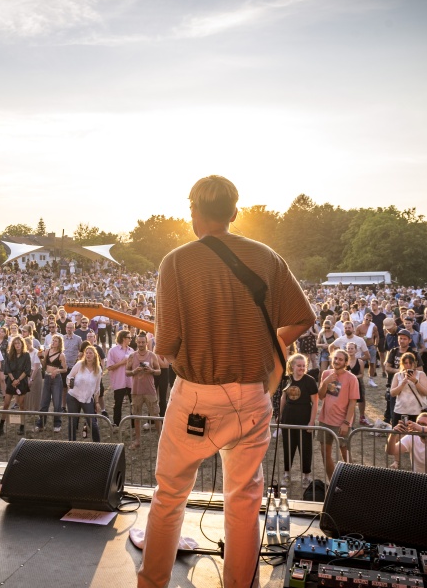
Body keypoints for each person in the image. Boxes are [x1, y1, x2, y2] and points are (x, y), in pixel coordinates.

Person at [139, 176, 314, 588]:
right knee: (243, 501)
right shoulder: (267, 257)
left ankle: (152, 583)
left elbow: (166, 346)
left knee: (169, 498)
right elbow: (303, 317)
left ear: (194, 212)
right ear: (235, 213)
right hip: (253, 396)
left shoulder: (176, 262)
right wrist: (271, 344)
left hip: (196, 397)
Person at [318, 349, 360, 481]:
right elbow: (321, 396)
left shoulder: (352, 379)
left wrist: (346, 423)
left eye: (340, 359)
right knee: (325, 454)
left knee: (345, 454)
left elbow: (353, 403)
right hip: (325, 421)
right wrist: (325, 382)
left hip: (341, 423)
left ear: (346, 362)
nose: (337, 361)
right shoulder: (326, 373)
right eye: (335, 358)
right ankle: (332, 482)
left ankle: (350, 482)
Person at [279, 353, 319, 486]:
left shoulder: (310, 381)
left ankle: (306, 476)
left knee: (305, 448)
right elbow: (283, 398)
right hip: (288, 418)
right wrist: (280, 416)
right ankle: (286, 474)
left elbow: (315, 403)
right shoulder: (287, 379)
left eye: (303, 366)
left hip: (304, 418)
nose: (301, 368)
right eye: (299, 366)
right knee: (288, 446)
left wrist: (312, 422)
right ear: (292, 366)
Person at [127, 332, 161, 448]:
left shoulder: (152, 355)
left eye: (143, 342)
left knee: (155, 415)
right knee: (136, 416)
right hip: (136, 391)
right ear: (136, 342)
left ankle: (161, 439)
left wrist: (151, 370)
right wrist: (134, 371)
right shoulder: (132, 356)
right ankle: (137, 440)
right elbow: (127, 372)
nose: (141, 344)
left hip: (150, 390)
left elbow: (159, 371)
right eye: (139, 342)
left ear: (147, 343)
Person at [66, 343, 103, 442]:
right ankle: (71, 443)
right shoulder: (79, 364)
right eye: (87, 353)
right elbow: (69, 376)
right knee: (72, 421)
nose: (88, 355)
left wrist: (97, 402)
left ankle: (98, 444)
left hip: (87, 399)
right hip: (74, 396)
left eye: (91, 353)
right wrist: (70, 384)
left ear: (95, 355)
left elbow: (97, 388)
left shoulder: (98, 370)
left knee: (93, 423)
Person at [0, 335, 31, 435]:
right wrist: (13, 379)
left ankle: (22, 426)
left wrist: (18, 380)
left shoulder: (26, 355)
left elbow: (27, 370)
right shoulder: (10, 355)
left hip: (22, 382)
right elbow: (7, 368)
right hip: (11, 381)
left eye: (19, 343)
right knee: (6, 404)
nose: (17, 345)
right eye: (15, 343)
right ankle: (1, 426)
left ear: (22, 344)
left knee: (21, 404)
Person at [36, 333, 66, 432]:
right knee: (44, 401)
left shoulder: (61, 355)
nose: (53, 342)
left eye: (56, 341)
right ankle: (41, 424)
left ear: (59, 343)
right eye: (53, 340)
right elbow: (44, 365)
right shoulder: (47, 351)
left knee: (57, 403)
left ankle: (57, 424)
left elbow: (65, 369)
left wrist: (57, 370)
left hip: (56, 379)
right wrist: (40, 358)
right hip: (47, 377)